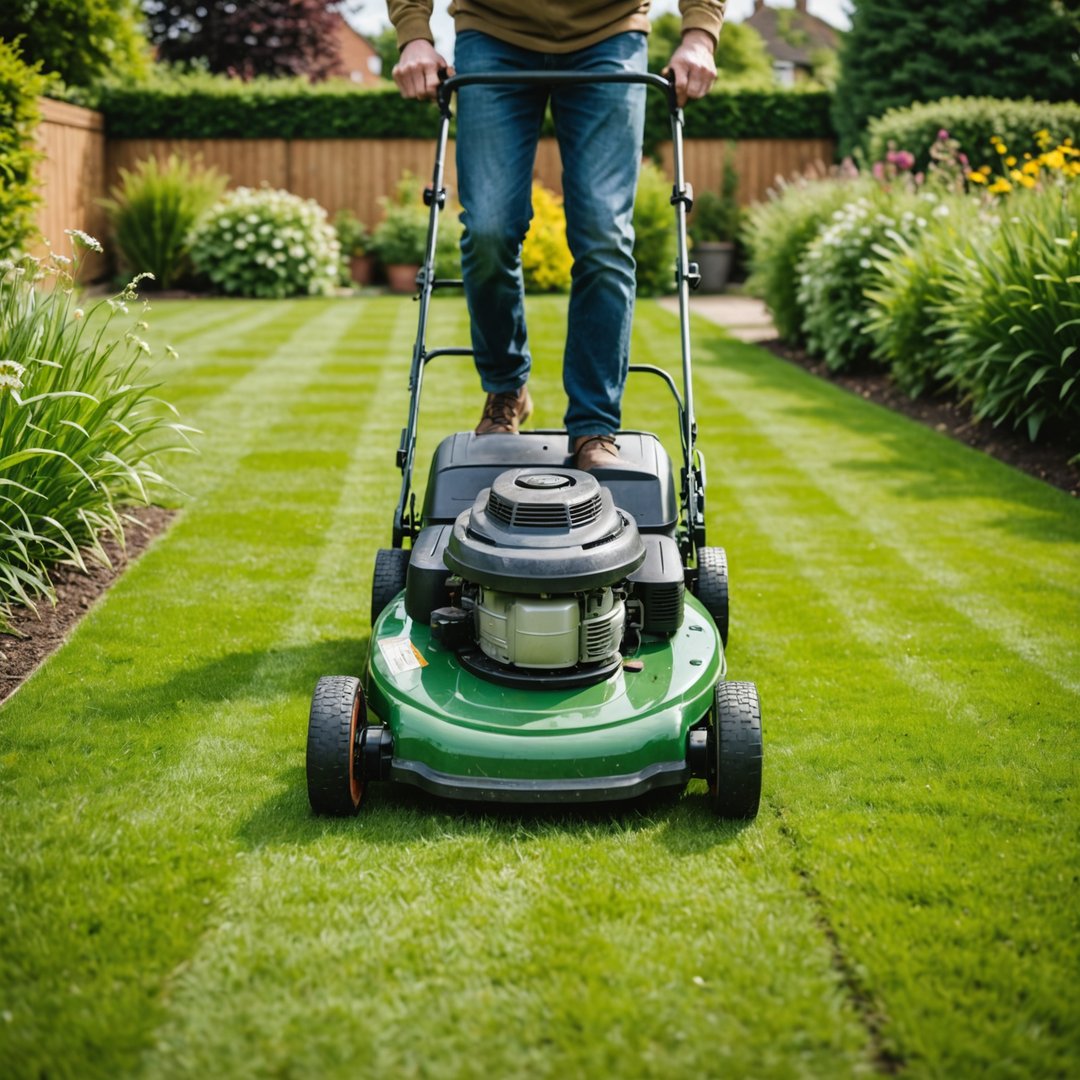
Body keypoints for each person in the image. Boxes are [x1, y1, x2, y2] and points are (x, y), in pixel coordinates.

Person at [388, 1, 724, 470]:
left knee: (605, 234)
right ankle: (506, 389)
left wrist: (700, 34)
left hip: (610, 33)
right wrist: (414, 33)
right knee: (488, 229)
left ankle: (594, 424)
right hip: (492, 32)